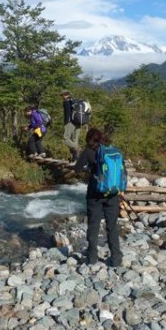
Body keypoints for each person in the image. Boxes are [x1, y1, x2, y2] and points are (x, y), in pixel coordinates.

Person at [74, 128, 123, 266]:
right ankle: (116, 259)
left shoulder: (88, 152)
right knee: (112, 226)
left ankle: (92, 258)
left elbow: (76, 169)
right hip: (113, 194)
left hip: (95, 194)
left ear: (89, 140)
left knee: (94, 226)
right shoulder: (113, 150)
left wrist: (88, 169)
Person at [61, 90, 80, 162]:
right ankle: (75, 159)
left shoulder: (66, 102)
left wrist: (66, 123)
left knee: (65, 139)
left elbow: (67, 114)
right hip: (78, 122)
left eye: (63, 95)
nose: (62, 96)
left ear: (66, 95)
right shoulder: (75, 101)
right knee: (74, 140)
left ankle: (77, 148)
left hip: (69, 123)